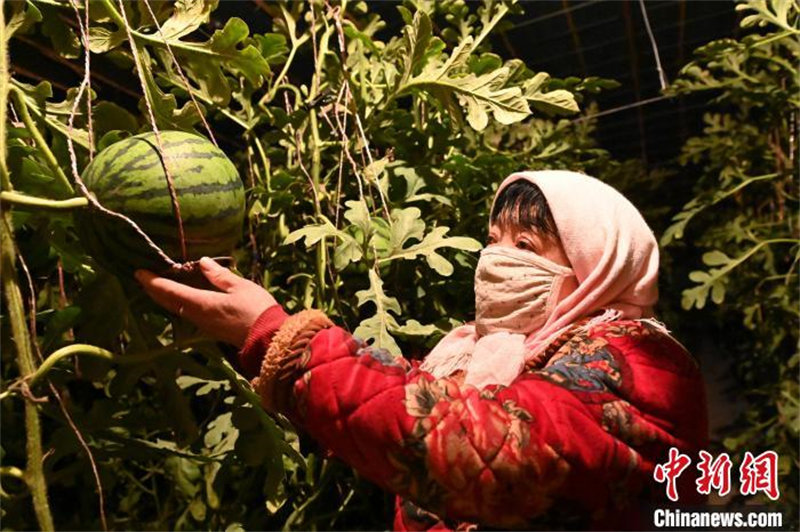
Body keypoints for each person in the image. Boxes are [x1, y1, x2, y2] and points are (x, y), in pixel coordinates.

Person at [136, 170, 708, 530]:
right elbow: (420, 399)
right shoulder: (483, 349)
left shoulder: (637, 360)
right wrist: (267, 334)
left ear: (596, 264)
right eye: (494, 241)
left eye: (526, 245)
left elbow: (483, 450)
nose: (497, 260)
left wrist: (279, 338)